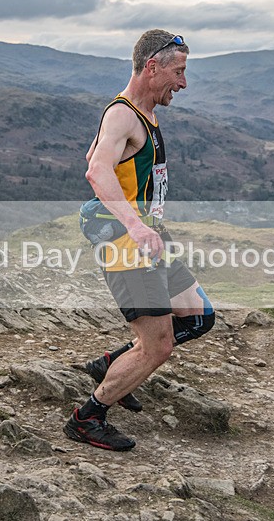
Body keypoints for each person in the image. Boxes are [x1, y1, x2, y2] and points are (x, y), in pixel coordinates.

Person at [64, 29, 215, 451]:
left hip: (146, 235)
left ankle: (111, 365)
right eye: (179, 72)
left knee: (198, 315)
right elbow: (96, 172)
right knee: (159, 345)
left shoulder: (144, 112)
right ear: (153, 67)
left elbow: (93, 160)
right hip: (125, 242)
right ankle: (88, 416)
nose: (183, 84)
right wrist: (135, 224)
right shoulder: (123, 114)